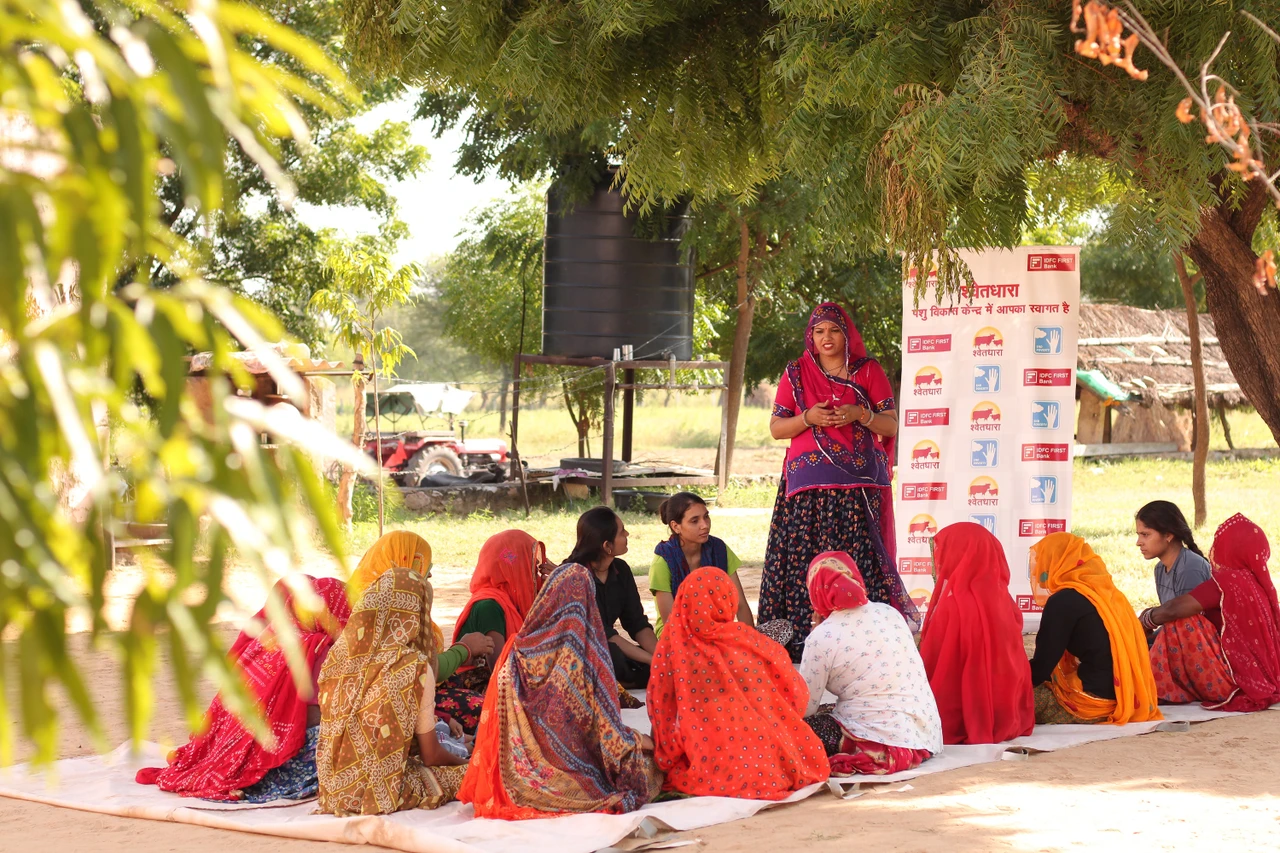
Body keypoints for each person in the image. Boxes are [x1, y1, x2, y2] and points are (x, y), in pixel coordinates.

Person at [760, 301, 917, 658]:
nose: (826, 338)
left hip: (858, 488)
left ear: (846, 335)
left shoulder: (867, 371)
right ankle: (803, 640)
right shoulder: (796, 372)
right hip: (807, 491)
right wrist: (809, 418)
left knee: (856, 560)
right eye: (819, 332)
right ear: (810, 337)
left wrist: (860, 414)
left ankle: (864, 641)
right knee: (805, 559)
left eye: (833, 330)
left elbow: (890, 424)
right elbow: (776, 428)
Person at [459, 562, 661, 819]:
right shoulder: (588, 659)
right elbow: (609, 736)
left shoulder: (516, 651)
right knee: (648, 767)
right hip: (579, 768)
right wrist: (640, 742)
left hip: (519, 769)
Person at [136, 575, 350, 801]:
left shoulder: (266, 637)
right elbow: (329, 709)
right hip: (281, 752)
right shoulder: (322, 650)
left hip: (231, 743)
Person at [647, 567, 829, 799]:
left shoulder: (672, 648)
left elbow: (661, 713)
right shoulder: (748, 641)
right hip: (772, 757)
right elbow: (797, 695)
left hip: (710, 761)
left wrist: (667, 752)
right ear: (727, 599)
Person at [316, 565, 467, 816]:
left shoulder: (339, 658)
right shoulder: (412, 667)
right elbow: (431, 755)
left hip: (334, 792)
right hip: (380, 789)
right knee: (471, 775)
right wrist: (466, 764)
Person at [800, 553, 942, 776]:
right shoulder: (889, 612)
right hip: (923, 736)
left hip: (879, 740)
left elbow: (805, 707)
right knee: (832, 710)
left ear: (815, 590)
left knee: (792, 729)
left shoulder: (821, 637)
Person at [350, 531, 495, 733]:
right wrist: (464, 649)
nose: (430, 574)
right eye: (427, 565)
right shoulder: (394, 608)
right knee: (487, 710)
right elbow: (426, 671)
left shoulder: (366, 596)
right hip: (397, 702)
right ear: (411, 563)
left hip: (412, 694)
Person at [1141, 514, 1280, 710]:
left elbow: (1174, 609)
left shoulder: (1227, 582)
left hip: (1232, 683)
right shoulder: (1258, 584)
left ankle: (1151, 687)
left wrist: (1146, 619)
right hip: (1255, 678)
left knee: (1183, 622)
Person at [1027, 533, 1161, 725]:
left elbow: (1040, 670)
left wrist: (1006, 677)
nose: (1037, 571)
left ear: (1055, 562)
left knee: (1000, 699)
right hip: (1124, 697)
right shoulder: (1107, 594)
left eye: (1041, 562)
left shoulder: (1062, 601)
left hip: (1091, 702)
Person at [919, 523, 1035, 744]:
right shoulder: (1005, 601)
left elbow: (934, 668)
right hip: (1010, 713)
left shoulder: (954, 607)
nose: (938, 562)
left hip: (964, 712)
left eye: (941, 553)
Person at [440, 529, 553, 702]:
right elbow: (500, 670)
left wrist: (556, 586)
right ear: (513, 569)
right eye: (529, 567)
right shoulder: (489, 606)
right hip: (479, 685)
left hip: (505, 678)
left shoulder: (515, 602)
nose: (534, 575)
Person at [569, 506, 657, 688]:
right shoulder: (574, 575)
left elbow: (637, 623)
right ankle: (616, 683)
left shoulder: (621, 570)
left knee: (658, 659)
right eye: (622, 532)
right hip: (579, 653)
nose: (628, 534)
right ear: (607, 546)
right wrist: (653, 661)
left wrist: (662, 658)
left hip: (609, 647)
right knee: (612, 656)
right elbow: (603, 634)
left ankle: (621, 682)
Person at [649, 492, 753, 636]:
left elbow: (740, 605)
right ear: (676, 526)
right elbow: (671, 623)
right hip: (679, 639)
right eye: (694, 521)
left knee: (781, 627)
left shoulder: (719, 550)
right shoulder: (663, 561)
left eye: (706, 517)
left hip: (718, 632)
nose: (704, 525)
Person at [1135, 501, 1211, 605]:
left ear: (1168, 535)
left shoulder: (1189, 569)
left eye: (1145, 534)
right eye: (1139, 535)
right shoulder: (1160, 568)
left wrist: (1149, 617)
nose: (1138, 543)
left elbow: (1190, 618)